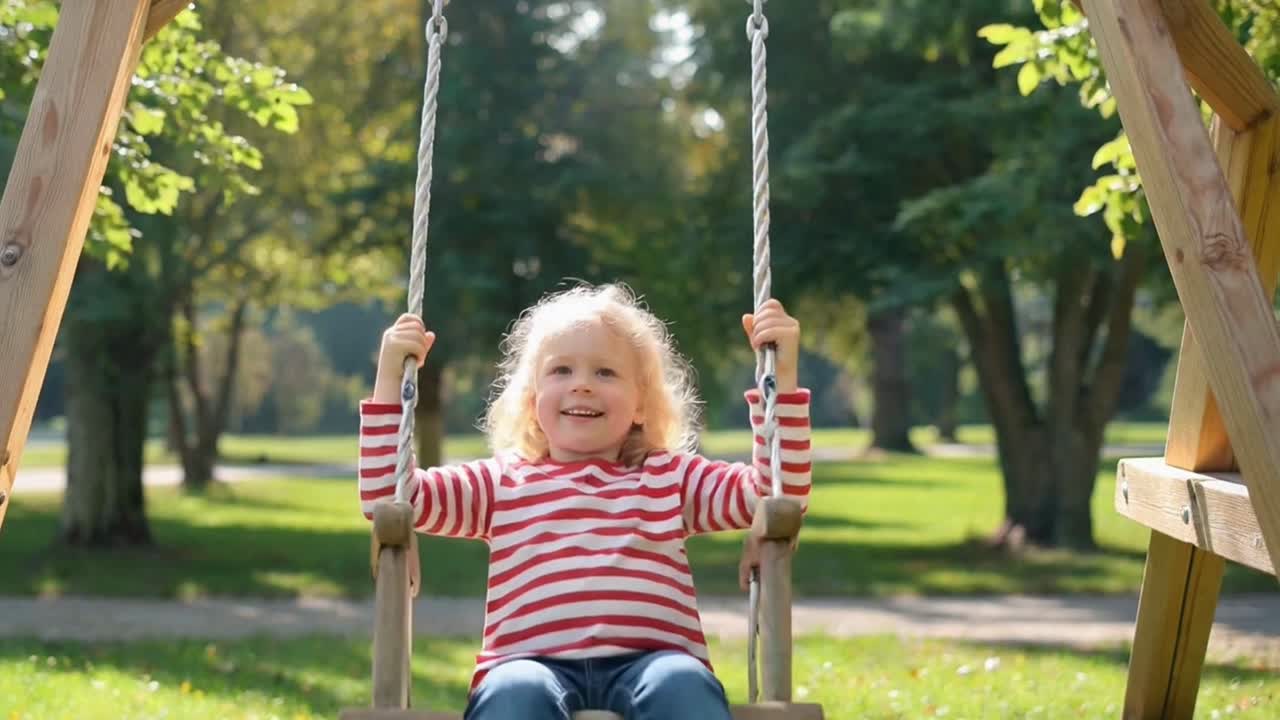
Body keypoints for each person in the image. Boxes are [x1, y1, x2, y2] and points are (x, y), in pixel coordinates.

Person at [358, 282, 811, 720]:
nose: (582, 385)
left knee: (682, 683)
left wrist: (782, 378)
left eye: (605, 372)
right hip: (529, 663)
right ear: (533, 400)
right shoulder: (499, 484)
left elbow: (774, 493)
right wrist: (389, 378)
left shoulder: (670, 477)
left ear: (640, 404)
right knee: (513, 692)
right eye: (561, 370)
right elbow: (391, 498)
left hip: (654, 661)